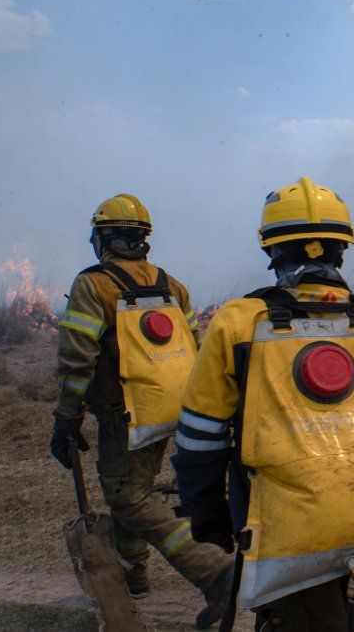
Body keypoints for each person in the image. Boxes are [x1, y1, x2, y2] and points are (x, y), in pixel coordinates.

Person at [172, 177, 354, 630]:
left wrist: (206, 509)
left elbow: (201, 436)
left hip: (286, 523)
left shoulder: (239, 323)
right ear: (343, 249)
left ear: (271, 251)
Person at [50, 194, 234, 628]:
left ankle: (215, 571)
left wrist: (66, 415)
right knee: (134, 484)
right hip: (173, 405)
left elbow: (78, 358)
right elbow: (196, 350)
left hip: (125, 410)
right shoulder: (172, 285)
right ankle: (134, 571)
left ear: (103, 239)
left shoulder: (92, 285)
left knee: (128, 497)